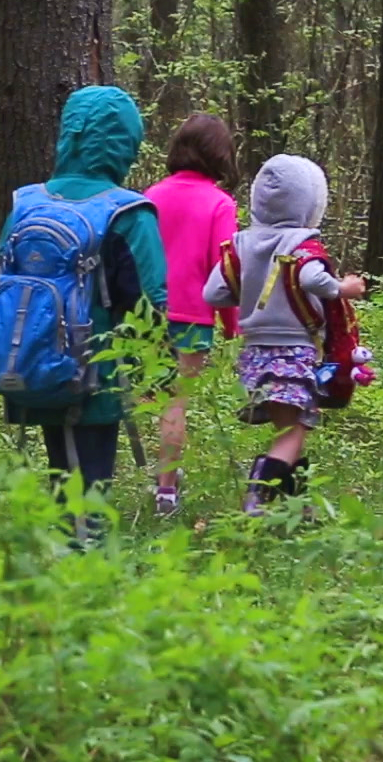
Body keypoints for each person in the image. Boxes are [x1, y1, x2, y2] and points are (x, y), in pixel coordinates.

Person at [0, 86, 167, 539]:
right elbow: (149, 305)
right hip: (94, 379)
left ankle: (60, 564)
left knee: (62, 473)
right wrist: (160, 374)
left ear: (69, 134)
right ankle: (80, 578)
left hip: (25, 361)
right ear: (126, 142)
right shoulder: (129, 212)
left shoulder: (25, 203)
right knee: (88, 491)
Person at [204, 154, 365, 515]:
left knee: (286, 428)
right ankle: (259, 488)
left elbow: (213, 293)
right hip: (294, 352)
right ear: (311, 202)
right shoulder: (303, 245)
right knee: (295, 431)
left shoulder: (241, 244)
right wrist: (343, 288)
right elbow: (310, 279)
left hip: (256, 354)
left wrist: (247, 295)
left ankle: (299, 511)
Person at [142, 114, 242, 516]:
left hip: (148, 314)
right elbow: (226, 269)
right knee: (176, 402)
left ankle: (158, 476)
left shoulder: (151, 195)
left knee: (153, 396)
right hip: (193, 314)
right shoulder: (220, 203)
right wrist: (232, 323)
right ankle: (167, 489)